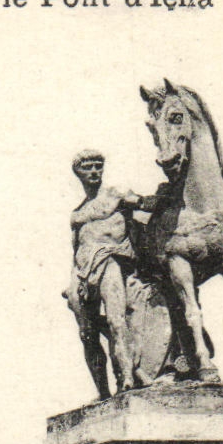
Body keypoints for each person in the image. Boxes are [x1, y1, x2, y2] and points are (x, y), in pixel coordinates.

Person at [66, 149, 142, 400]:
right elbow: (75, 249)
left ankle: (127, 379)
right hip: (82, 272)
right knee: (86, 334)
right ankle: (102, 391)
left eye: (98, 166)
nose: (94, 171)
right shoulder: (77, 215)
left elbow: (144, 206)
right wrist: (71, 282)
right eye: (87, 167)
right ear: (78, 173)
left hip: (110, 262)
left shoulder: (116, 195)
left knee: (116, 322)